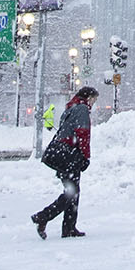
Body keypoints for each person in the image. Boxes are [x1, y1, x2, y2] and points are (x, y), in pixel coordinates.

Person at [32, 86, 98, 239]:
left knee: (73, 191)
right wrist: (85, 156)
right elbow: (83, 134)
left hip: (62, 154)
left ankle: (69, 228)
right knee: (72, 192)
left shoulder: (70, 108)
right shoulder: (81, 109)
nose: (94, 103)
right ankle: (43, 216)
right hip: (70, 155)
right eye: (94, 99)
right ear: (88, 97)